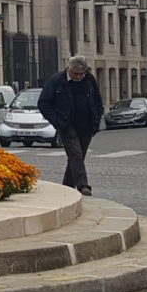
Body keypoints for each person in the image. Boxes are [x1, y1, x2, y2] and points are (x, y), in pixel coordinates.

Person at [38, 56, 104, 197]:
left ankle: (66, 188)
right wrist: (57, 121)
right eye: (76, 73)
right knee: (76, 155)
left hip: (87, 126)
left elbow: (98, 100)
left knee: (77, 159)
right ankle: (83, 186)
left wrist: (97, 119)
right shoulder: (56, 81)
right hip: (67, 126)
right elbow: (43, 103)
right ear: (69, 68)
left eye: (82, 73)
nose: (79, 76)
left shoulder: (89, 80)